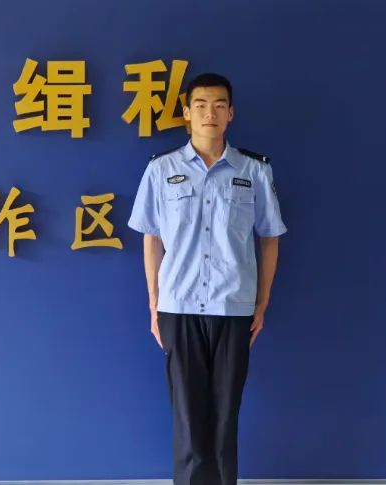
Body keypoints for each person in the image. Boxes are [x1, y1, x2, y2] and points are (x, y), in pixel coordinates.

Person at [128, 73, 286, 485]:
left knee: (224, 416)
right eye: (200, 105)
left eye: (218, 105)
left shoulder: (254, 171)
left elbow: (270, 238)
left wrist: (261, 303)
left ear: (231, 113)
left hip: (233, 307)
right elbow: (151, 239)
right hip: (178, 307)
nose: (209, 113)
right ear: (186, 112)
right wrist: (154, 303)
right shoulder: (161, 170)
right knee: (187, 416)